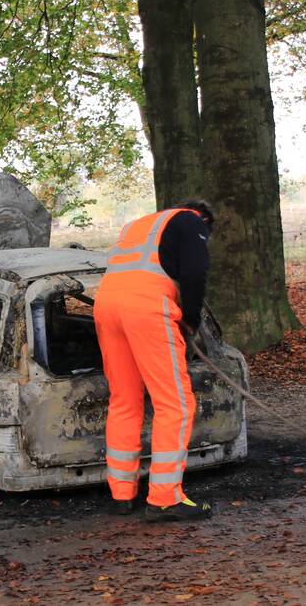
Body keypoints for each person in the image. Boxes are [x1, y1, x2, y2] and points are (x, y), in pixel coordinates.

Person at [93, 199, 215, 521]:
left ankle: (121, 494)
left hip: (106, 305)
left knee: (124, 400)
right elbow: (194, 272)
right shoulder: (192, 221)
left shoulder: (138, 225)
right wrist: (190, 320)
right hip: (146, 308)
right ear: (204, 218)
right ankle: (164, 497)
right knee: (175, 403)